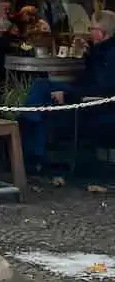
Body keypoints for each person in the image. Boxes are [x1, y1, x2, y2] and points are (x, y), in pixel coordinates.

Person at [21, 11, 115, 174]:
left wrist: (69, 96)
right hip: (85, 95)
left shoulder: (110, 55)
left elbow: (103, 88)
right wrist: (87, 53)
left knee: (42, 95)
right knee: (42, 86)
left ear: (101, 33)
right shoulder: (101, 50)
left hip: (97, 104)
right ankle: (33, 139)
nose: (89, 32)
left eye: (91, 28)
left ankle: (32, 146)